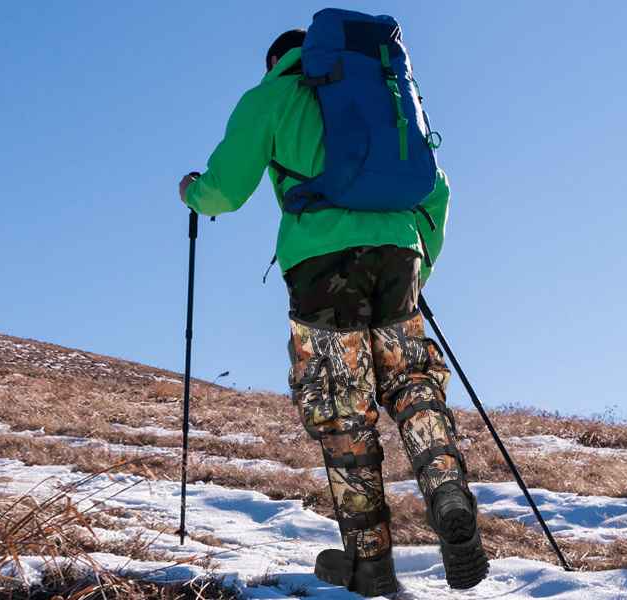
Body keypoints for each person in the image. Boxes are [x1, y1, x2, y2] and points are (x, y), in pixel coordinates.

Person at [178, 29, 488, 595]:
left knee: (344, 412)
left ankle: (371, 564)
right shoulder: (387, 92)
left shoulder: (269, 97)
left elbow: (224, 192)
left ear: (277, 61)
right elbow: (436, 189)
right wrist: (419, 264)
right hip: (399, 255)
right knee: (412, 384)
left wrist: (193, 192)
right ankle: (446, 490)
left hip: (322, 268)